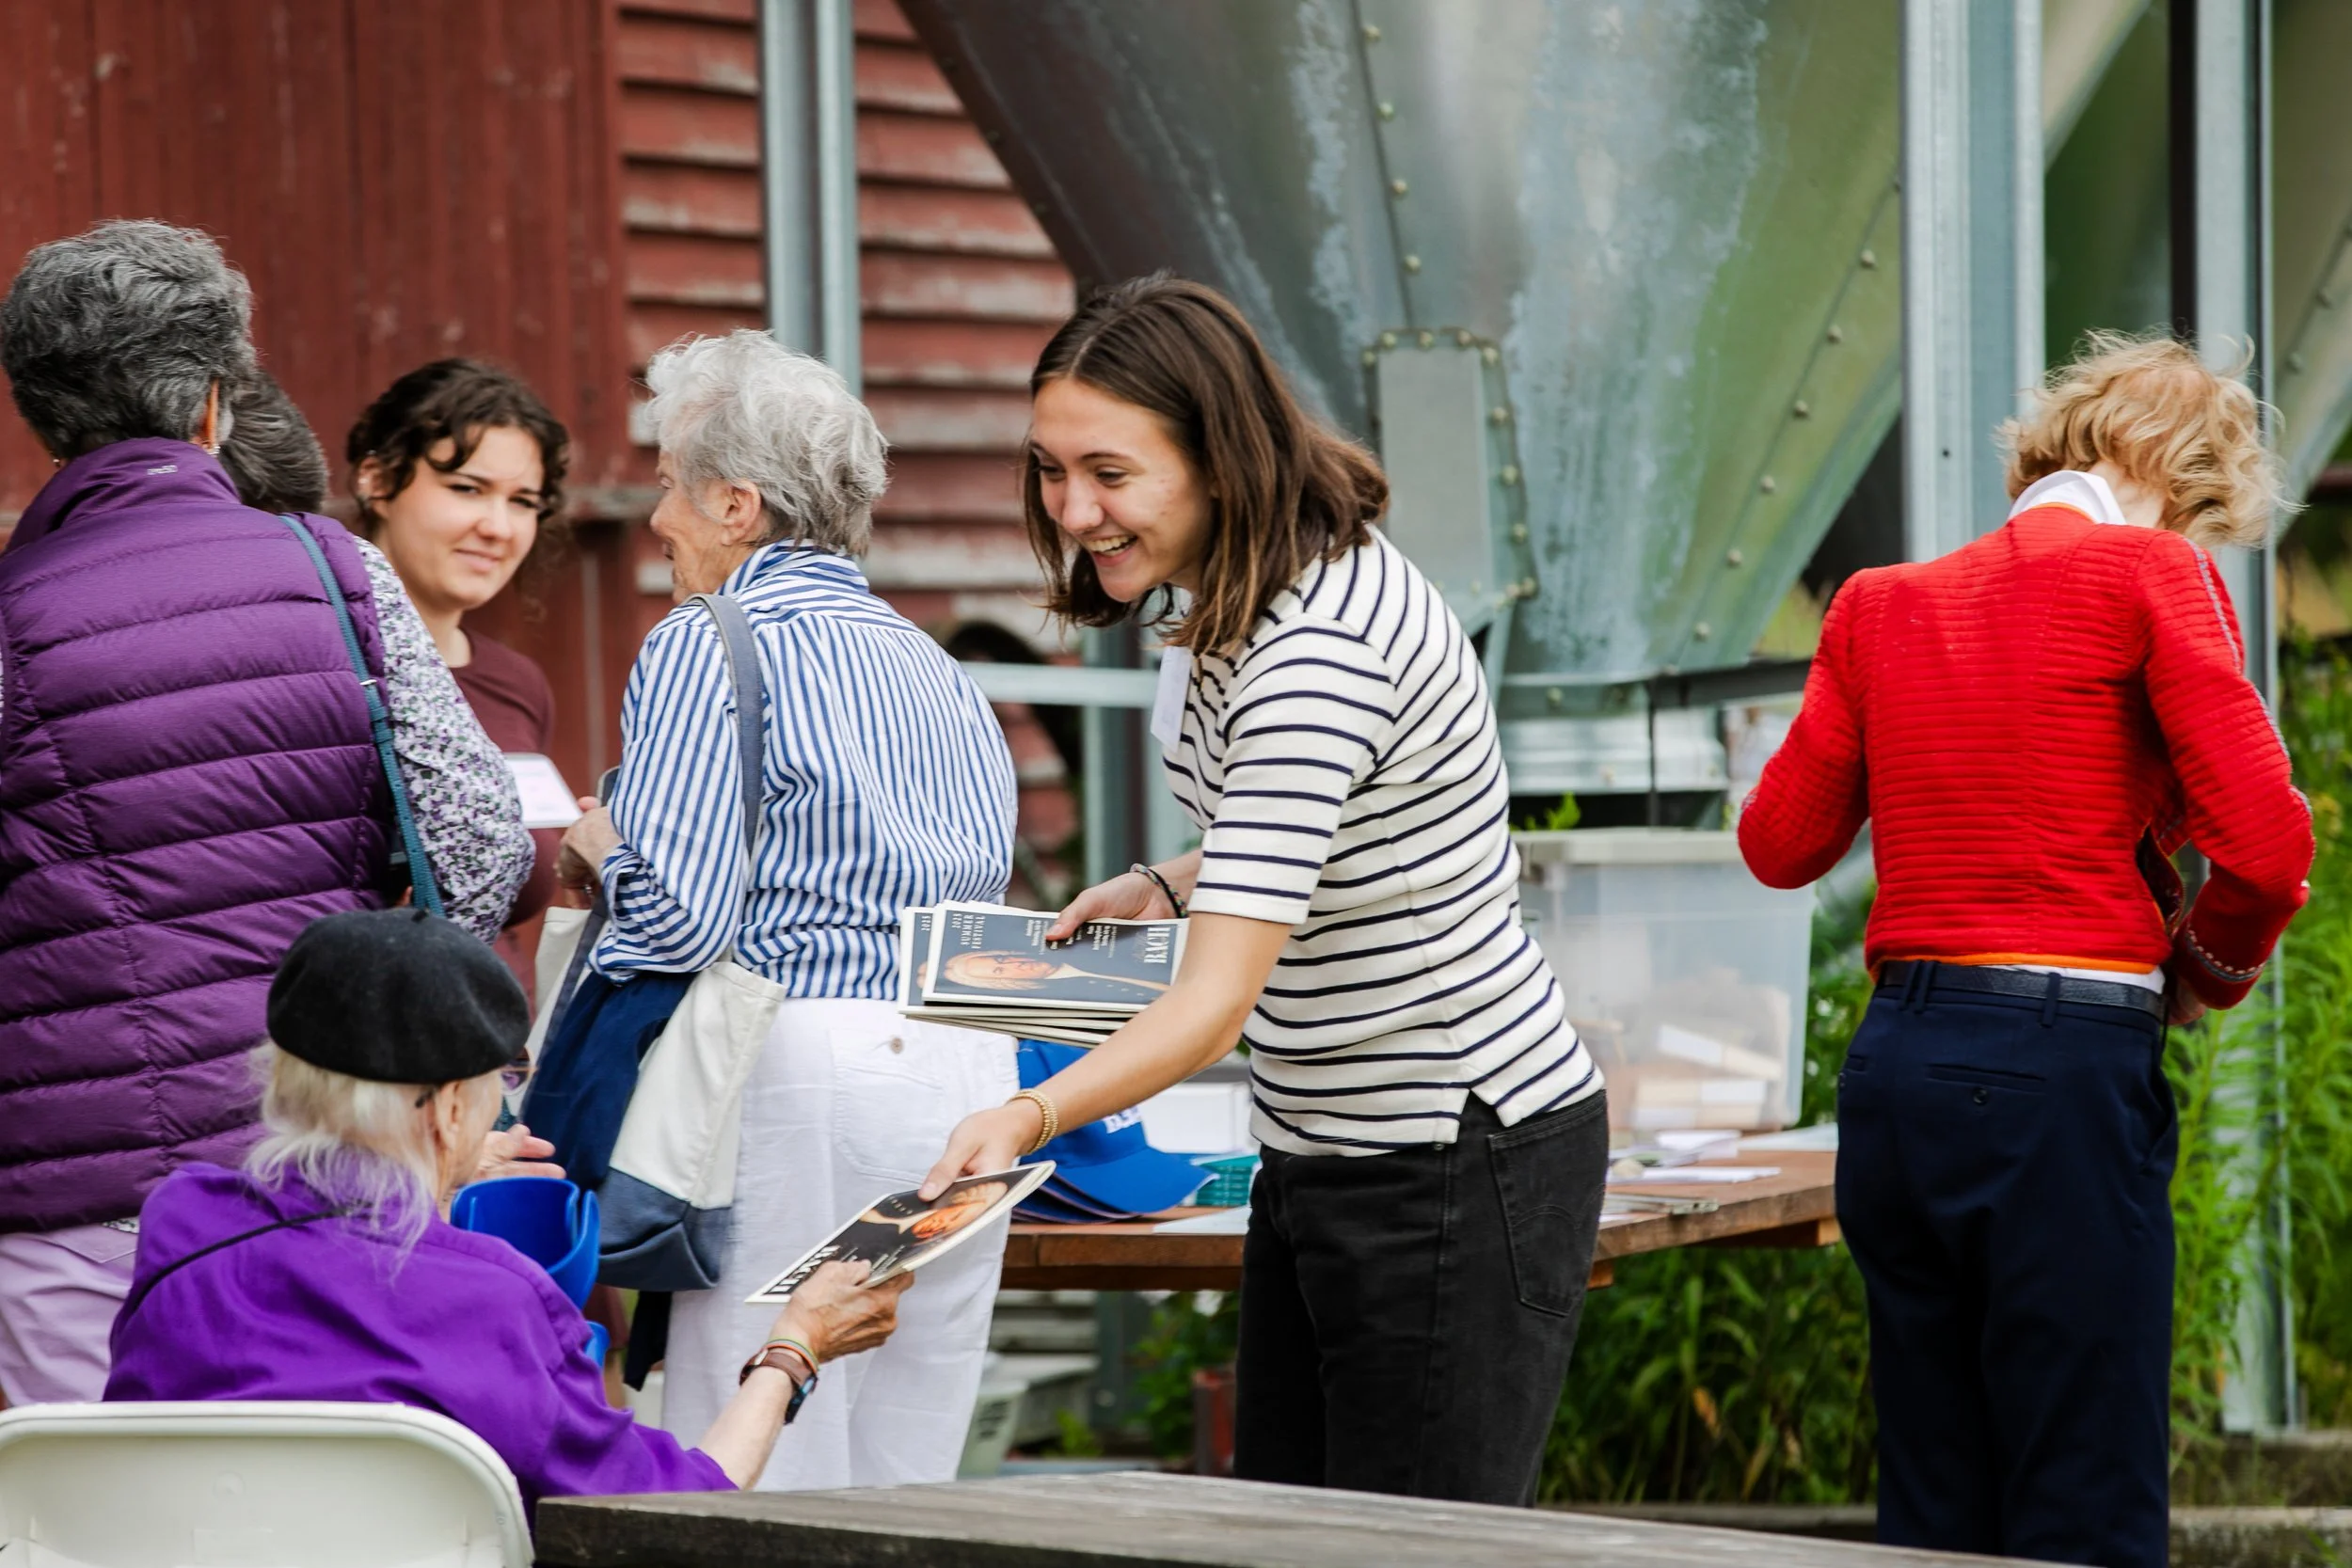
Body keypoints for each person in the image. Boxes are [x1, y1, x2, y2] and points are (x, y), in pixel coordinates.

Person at [917, 276, 1611, 1507]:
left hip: (1445, 1150)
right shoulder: (1248, 589)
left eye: (1110, 472)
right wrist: (1171, 882)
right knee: (1288, 1525)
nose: (1072, 509)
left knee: (1407, 1549)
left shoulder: (1313, 653)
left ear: (1219, 456)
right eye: (1050, 469)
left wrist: (1027, 1117)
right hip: (1319, 1142)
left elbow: (1211, 1008)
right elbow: (1342, 829)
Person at [1738, 333, 2315, 1568]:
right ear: (2179, 484)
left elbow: (1779, 845)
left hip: (1897, 1068)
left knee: (1935, 1495)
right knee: (2084, 1493)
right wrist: (2203, 973)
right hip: (2059, 1068)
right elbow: (2268, 847)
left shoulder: (1877, 602)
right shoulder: (2151, 570)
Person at [0, 221, 532, 1407]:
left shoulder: (11, 613)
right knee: (308, 1486)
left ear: (44, 416)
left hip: (69, 1196)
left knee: (91, 1500)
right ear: (212, 405)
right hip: (312, 1163)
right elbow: (478, 841)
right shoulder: (339, 573)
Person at [553, 329, 1019, 1491]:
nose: (656, 516)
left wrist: (603, 849)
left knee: (759, 1437)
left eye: (670, 483)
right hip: (968, 1078)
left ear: (737, 504)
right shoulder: (937, 669)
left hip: (803, 1063)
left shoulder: (704, 640)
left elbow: (682, 918)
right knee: (909, 1463)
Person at [106, 910, 911, 1511]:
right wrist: (795, 1348)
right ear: (451, 1107)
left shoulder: (184, 1221)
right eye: (503, 1080)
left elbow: (326, 1278)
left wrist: (434, 1187)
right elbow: (680, 1499)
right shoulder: (496, 1296)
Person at [348, 359, 574, 997]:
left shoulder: (517, 683)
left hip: (492, 1041)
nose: (498, 527)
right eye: (468, 489)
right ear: (377, 480)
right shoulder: (322, 664)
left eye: (522, 501)